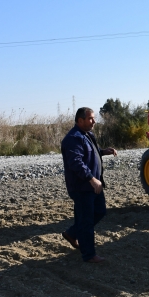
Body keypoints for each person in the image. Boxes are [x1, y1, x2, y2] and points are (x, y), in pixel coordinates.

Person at [60, 107, 117, 263]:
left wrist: (104, 151)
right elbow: (76, 162)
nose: (94, 121)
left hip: (93, 185)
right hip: (82, 187)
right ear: (80, 120)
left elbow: (92, 151)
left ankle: (72, 233)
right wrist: (91, 178)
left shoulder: (88, 135)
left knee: (99, 211)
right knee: (86, 220)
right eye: (90, 118)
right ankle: (89, 255)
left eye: (93, 118)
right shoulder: (73, 138)